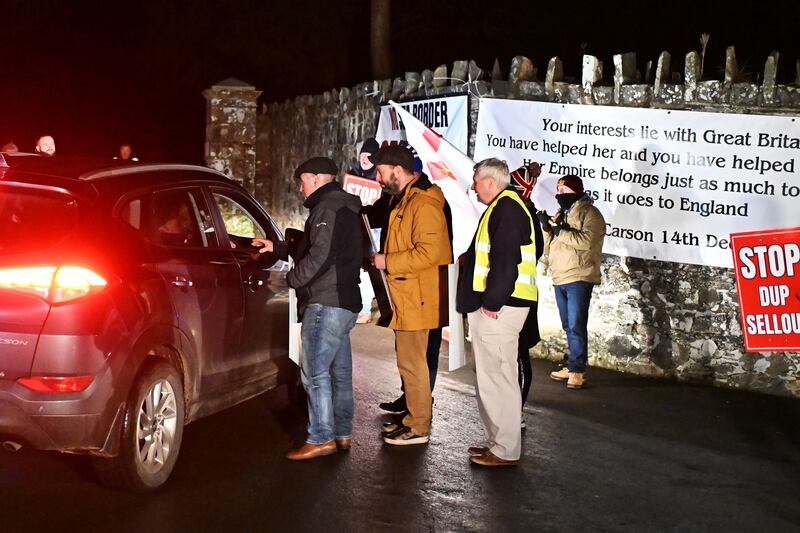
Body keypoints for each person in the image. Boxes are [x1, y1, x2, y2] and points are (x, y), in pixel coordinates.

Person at [252, 156, 362, 460]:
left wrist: (290, 280)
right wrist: (277, 247)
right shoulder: (347, 206)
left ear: (315, 179)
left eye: (302, 181)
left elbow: (319, 256)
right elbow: (316, 248)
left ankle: (320, 437)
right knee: (339, 373)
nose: (300, 189)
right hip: (345, 303)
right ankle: (341, 433)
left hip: (326, 302)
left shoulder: (326, 208)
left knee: (314, 374)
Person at [457, 158, 538, 467]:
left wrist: (492, 302)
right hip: (501, 304)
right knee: (493, 376)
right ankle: (497, 443)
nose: (474, 188)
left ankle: (504, 449)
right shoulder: (505, 207)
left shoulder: (507, 209)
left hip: (501, 307)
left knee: (498, 377)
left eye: (476, 182)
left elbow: (506, 263)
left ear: (491, 182)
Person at [369, 145, 451, 446]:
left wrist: (387, 261)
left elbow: (430, 253)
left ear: (397, 171)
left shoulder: (424, 203)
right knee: (409, 363)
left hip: (417, 297)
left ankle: (418, 426)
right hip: (408, 296)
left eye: (380, 171)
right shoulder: (405, 199)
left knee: (413, 364)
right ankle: (411, 419)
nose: (377, 177)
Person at [537, 175, 606, 390]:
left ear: (577, 191)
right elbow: (552, 243)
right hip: (560, 276)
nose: (561, 196)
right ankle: (572, 364)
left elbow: (586, 241)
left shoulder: (590, 213)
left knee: (576, 324)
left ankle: (577, 371)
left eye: (566, 191)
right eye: (559, 192)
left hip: (579, 275)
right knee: (568, 325)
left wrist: (559, 231)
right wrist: (547, 231)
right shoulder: (560, 213)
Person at [509, 162, 545, 429]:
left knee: (520, 356)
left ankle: (516, 411)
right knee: (511, 356)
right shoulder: (518, 211)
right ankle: (510, 410)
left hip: (520, 295)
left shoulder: (524, 215)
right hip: (514, 294)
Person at [351, 138, 380, 323]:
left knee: (368, 266)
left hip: (372, 229)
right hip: (354, 226)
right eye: (363, 154)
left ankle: (366, 308)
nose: (365, 158)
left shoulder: (379, 179)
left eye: (369, 156)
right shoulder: (352, 174)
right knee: (356, 263)